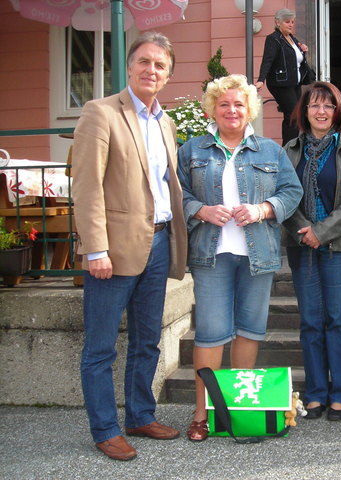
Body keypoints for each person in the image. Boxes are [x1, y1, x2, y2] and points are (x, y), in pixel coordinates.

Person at [72, 31, 187, 461]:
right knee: (101, 347)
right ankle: (105, 428)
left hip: (158, 245)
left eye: (160, 65)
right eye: (144, 61)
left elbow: (166, 187)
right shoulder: (101, 112)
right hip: (114, 251)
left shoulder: (166, 122)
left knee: (146, 341)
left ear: (168, 75)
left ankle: (140, 414)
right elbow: (86, 187)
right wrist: (95, 249)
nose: (151, 69)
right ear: (130, 66)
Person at [177, 74, 303, 441]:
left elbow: (290, 192)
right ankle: (202, 413)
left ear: (249, 109)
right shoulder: (193, 150)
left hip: (257, 255)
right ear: (212, 109)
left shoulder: (270, 150)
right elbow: (177, 194)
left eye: (239, 104)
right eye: (224, 104)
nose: (232, 110)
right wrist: (201, 211)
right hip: (211, 254)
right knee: (212, 335)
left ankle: (234, 411)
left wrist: (263, 209)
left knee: (249, 331)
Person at [282, 82, 341, 421]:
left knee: (340, 320)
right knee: (311, 322)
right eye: (314, 105)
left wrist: (322, 231)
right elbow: (283, 195)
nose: (320, 112)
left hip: (339, 247)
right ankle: (316, 392)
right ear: (304, 111)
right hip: (303, 248)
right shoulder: (289, 149)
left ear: (337, 112)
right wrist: (306, 232)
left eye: (328, 106)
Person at [256, 8, 314, 145]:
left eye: (292, 22)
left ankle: (292, 146)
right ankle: (289, 148)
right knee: (293, 116)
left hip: (294, 83)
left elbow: (294, 60)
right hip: (280, 83)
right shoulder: (273, 39)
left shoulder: (293, 39)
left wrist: (303, 50)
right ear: (278, 22)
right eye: (287, 22)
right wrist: (260, 80)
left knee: (296, 115)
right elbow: (267, 60)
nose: (291, 24)